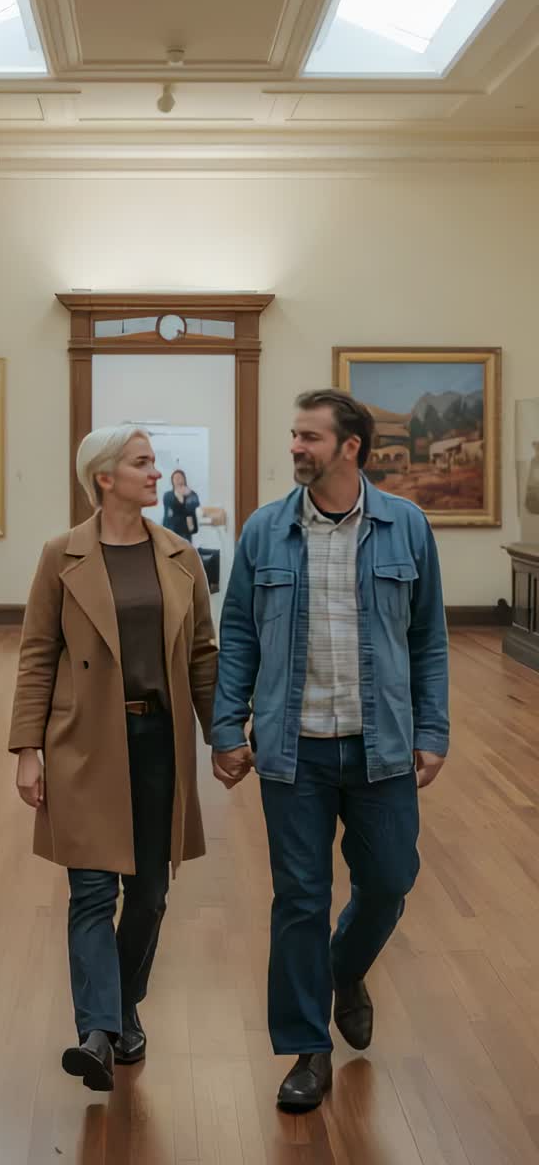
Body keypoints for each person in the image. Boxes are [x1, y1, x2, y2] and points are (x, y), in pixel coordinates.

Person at [211, 388, 449, 1112]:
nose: (295, 447)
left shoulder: (406, 526)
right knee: (300, 900)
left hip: (382, 747)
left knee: (390, 880)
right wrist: (226, 726)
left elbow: (428, 639)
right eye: (294, 435)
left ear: (351, 447)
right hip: (294, 750)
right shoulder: (265, 530)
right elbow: (239, 634)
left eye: (309, 437)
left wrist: (432, 731)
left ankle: (345, 968)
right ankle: (308, 1049)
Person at [8, 424, 217, 1092]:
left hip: (158, 741)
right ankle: (97, 1033)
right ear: (105, 477)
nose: (157, 473)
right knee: (93, 891)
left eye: (154, 462)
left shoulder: (180, 555)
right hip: (86, 741)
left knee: (149, 895)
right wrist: (27, 750)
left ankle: (123, 1006)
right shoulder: (60, 556)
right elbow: (38, 654)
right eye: (142, 462)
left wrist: (225, 736)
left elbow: (203, 655)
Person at [162, 469, 201, 544]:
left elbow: (195, 506)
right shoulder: (168, 495)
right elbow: (168, 512)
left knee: (186, 548)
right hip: (171, 529)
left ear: (184, 479)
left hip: (185, 530)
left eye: (180, 478)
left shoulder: (191, 494)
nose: (178, 480)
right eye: (175, 478)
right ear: (172, 481)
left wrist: (187, 496)